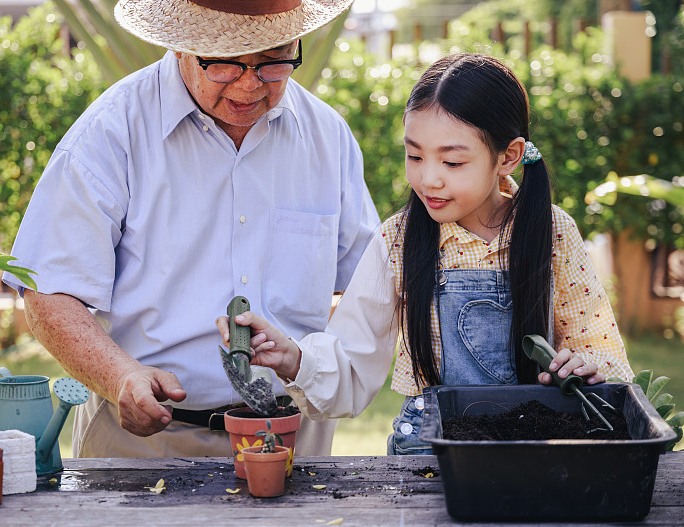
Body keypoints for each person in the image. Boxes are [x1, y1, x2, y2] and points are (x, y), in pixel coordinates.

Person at [2, 0, 379, 459]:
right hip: (148, 444)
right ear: (181, 46)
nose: (248, 85)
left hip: (292, 438)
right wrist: (121, 376)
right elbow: (49, 292)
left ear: (296, 44)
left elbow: (368, 290)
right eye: (225, 62)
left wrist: (315, 366)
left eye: (272, 61)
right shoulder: (110, 132)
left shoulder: (328, 137)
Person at [217, 53, 635, 455]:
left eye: (452, 162)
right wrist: (292, 357)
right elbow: (352, 360)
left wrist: (582, 367)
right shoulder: (398, 239)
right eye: (414, 155)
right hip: (429, 452)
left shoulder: (552, 232)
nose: (427, 178)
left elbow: (602, 353)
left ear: (508, 156)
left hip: (534, 443)